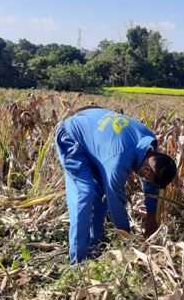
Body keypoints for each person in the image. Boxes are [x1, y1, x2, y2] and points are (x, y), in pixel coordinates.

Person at [55, 107, 177, 263]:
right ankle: (77, 261)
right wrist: (127, 240)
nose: (146, 181)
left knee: (99, 195)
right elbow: (115, 202)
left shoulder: (151, 146)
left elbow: (152, 186)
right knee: (85, 193)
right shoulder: (119, 160)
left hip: (95, 136)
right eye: (147, 178)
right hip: (72, 136)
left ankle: (95, 245)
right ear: (146, 170)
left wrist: (151, 219)